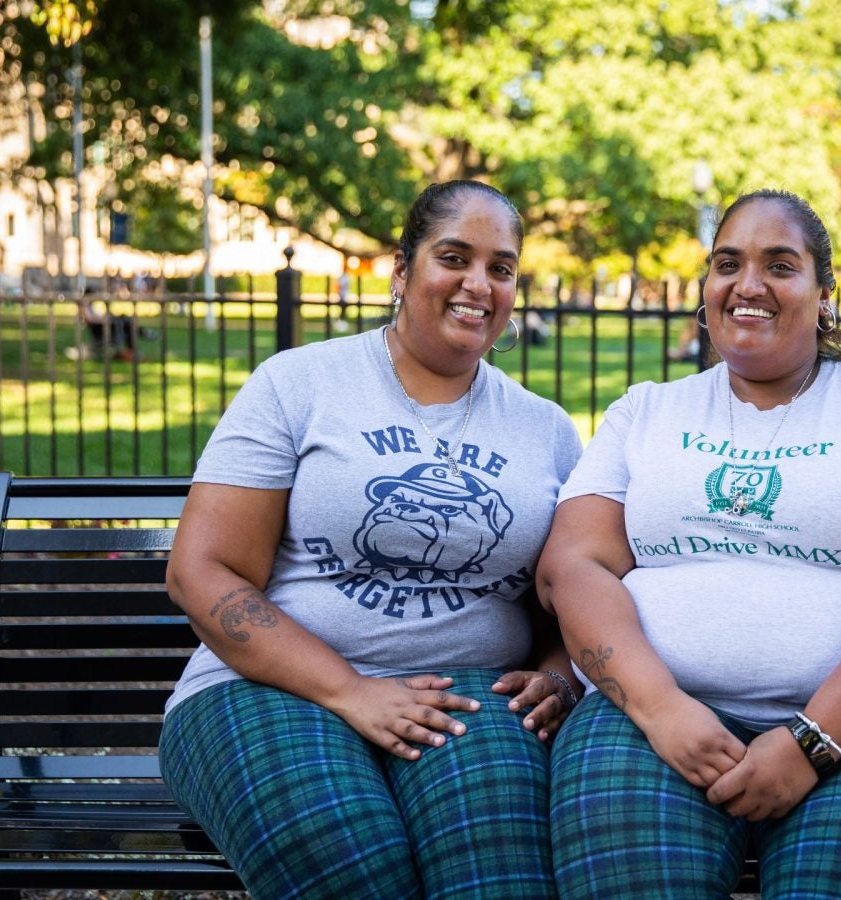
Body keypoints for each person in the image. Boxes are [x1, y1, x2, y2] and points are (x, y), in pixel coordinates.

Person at [540, 189, 841, 899]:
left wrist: (815, 741)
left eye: (779, 265)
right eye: (729, 262)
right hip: (653, 724)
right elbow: (574, 565)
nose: (748, 284)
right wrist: (662, 708)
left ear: (824, 294)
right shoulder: (646, 412)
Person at [158, 180, 583, 899]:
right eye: (454, 257)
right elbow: (201, 572)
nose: (478, 284)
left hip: (467, 698)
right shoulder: (299, 385)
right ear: (402, 268)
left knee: (497, 874)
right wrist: (351, 690)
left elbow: (577, 588)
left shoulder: (544, 430)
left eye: (501, 268)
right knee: (353, 860)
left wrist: (558, 671)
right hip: (261, 687)